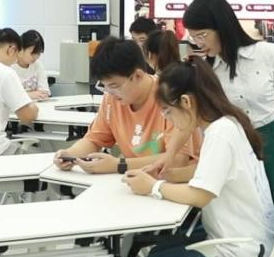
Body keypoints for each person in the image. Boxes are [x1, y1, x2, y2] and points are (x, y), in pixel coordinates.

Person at [180, 0, 274, 257]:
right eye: (193, 36)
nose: (198, 42)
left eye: (202, 34)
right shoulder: (207, 69)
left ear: (222, 26)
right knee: (248, 221)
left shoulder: (267, 53)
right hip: (236, 152)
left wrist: (273, 135)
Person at [123, 59, 274, 257]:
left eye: (167, 112)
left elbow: (200, 195)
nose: (169, 120)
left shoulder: (219, 134)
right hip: (247, 240)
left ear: (186, 102)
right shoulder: (227, 122)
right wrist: (169, 174)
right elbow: (215, 174)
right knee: (158, 252)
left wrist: (153, 187)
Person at [54, 37, 200, 177]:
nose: (110, 92)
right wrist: (70, 155)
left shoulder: (169, 96)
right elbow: (94, 140)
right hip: (137, 181)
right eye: (105, 86)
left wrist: (120, 165)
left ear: (138, 75)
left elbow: (177, 160)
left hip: (176, 184)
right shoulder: (112, 99)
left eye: (114, 86)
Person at [12, 29, 51, 101]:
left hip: (37, 105)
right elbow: (10, 96)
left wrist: (23, 95)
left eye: (38, 53)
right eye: (32, 53)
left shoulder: (38, 65)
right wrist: (30, 95)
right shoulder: (10, 66)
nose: (36, 57)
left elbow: (45, 93)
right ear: (21, 49)